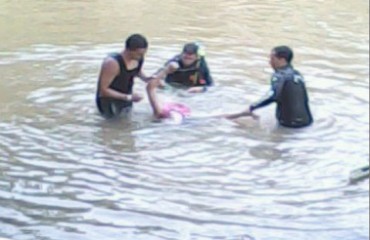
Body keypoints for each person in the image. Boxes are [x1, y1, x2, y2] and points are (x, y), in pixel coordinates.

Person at [224, 46, 313, 128]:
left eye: (272, 58)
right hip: (307, 121)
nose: (269, 62)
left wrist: (252, 107)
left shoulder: (279, 75)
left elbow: (273, 95)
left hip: (289, 124)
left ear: (282, 60)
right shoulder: (297, 74)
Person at [96, 34, 152, 119]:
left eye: (143, 54)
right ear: (129, 50)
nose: (141, 57)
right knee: (112, 125)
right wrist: (128, 97)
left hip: (126, 97)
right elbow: (103, 90)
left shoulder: (137, 59)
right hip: (108, 100)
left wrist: (147, 79)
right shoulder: (112, 63)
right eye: (139, 54)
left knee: (127, 124)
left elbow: (136, 71)